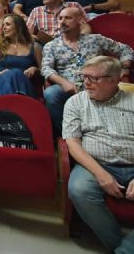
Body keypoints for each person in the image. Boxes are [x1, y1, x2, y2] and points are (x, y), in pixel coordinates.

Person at [64, 56, 134, 254]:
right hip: (95, 163)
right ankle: (120, 246)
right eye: (84, 77)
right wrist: (101, 174)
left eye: (93, 78)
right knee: (79, 189)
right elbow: (73, 143)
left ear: (114, 80)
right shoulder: (75, 103)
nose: (86, 83)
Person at [42, 7, 133, 137]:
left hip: (98, 83)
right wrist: (64, 83)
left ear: (80, 21)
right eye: (60, 18)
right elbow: (46, 68)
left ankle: (111, 135)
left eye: (68, 18)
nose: (62, 21)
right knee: (51, 93)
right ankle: (68, 136)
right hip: (69, 86)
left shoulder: (95, 40)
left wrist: (125, 69)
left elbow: (126, 50)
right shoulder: (51, 46)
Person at [0, 14, 42, 100]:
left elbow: (43, 72)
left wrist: (35, 69)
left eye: (7, 24)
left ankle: (3, 102)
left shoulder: (34, 47)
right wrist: (1, 74)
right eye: (3, 25)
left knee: (16, 73)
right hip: (1, 83)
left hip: (24, 86)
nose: (4, 27)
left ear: (18, 27)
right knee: (13, 73)